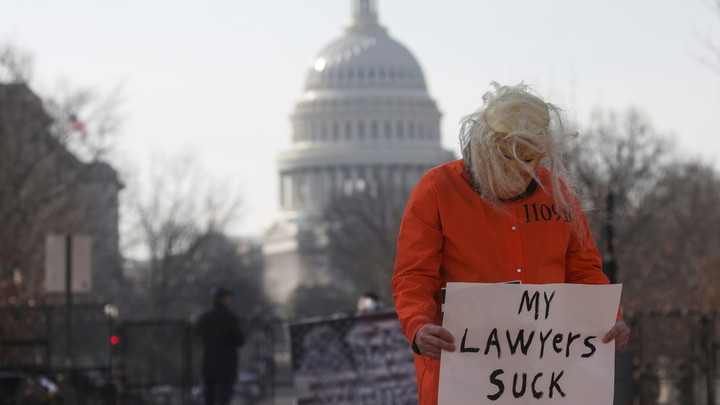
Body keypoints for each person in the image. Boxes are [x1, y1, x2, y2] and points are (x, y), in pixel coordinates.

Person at [391, 82, 631, 405]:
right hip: (463, 379)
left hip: (546, 378)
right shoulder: (436, 190)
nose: (515, 176)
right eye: (506, 163)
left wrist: (608, 319)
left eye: (526, 163)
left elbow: (585, 271)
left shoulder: (558, 193)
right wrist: (418, 325)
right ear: (482, 147)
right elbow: (414, 276)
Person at [195, 287, 245, 405]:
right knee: (224, 398)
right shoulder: (230, 317)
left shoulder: (205, 317)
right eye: (227, 298)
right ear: (222, 300)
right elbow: (240, 341)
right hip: (226, 367)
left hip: (209, 365)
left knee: (208, 398)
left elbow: (196, 334)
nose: (229, 301)